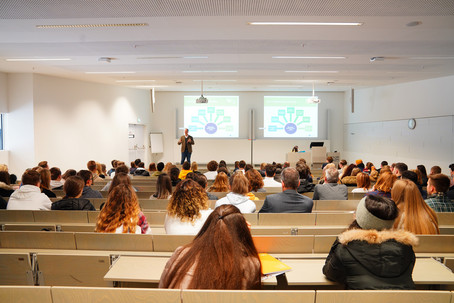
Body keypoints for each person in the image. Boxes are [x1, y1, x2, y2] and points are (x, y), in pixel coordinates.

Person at [322, 195, 417, 290]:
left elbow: (329, 272)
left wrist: (340, 239)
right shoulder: (406, 248)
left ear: (359, 218)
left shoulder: (345, 248)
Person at [159, 204, 261, 289]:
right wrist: (243, 239)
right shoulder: (251, 264)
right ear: (241, 231)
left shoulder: (181, 252)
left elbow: (163, 288)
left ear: (208, 227)